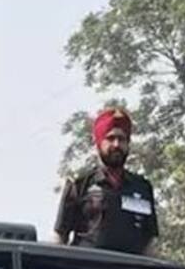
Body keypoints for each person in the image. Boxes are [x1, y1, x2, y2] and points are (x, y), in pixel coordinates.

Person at [54, 107, 159, 255]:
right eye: (110, 138)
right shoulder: (79, 184)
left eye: (122, 139)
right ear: (98, 143)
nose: (116, 144)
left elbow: (149, 244)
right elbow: (60, 236)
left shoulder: (142, 188)